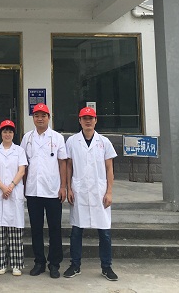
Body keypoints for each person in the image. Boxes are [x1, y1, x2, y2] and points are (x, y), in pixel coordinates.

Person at [65, 106, 118, 281]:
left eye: (91, 118)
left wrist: (109, 191)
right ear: (79, 121)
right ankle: (75, 265)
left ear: (96, 120)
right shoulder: (72, 141)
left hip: (99, 192)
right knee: (76, 231)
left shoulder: (104, 142)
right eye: (84, 118)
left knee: (104, 232)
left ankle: (106, 267)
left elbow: (109, 168)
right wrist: (69, 188)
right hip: (79, 191)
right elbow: (69, 166)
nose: (88, 121)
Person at [21, 102, 68, 278]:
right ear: (33, 118)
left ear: (49, 117)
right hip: (33, 190)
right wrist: (23, 186)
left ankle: (54, 264)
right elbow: (23, 164)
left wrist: (63, 186)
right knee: (36, 228)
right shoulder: (27, 138)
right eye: (36, 116)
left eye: (43, 116)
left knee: (55, 228)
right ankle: (39, 262)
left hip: (53, 190)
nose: (40, 119)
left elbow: (62, 163)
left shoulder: (57, 138)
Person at [0, 119, 27, 276]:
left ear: (13, 134)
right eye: (5, 131)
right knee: (0, 231)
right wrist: (3, 187)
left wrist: (10, 186)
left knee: (15, 230)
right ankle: (1, 264)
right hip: (0, 191)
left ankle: (16, 265)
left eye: (10, 131)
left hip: (14, 191)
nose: (7, 134)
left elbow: (21, 170)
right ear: (0, 133)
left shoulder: (19, 151)